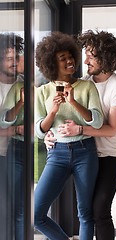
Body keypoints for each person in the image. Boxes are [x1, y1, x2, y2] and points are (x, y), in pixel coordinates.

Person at [45, 30, 116, 240]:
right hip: (86, 153)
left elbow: (112, 129)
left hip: (110, 156)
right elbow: (64, 114)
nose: (86, 60)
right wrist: (50, 134)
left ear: (106, 57)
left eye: (91, 56)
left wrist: (80, 130)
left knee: (101, 210)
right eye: (86, 55)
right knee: (87, 212)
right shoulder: (85, 82)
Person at [34, 31, 103, 240]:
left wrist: (73, 102)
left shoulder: (87, 86)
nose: (69, 61)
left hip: (85, 151)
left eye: (70, 56)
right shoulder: (42, 92)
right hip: (57, 154)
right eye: (62, 58)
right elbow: (39, 130)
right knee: (36, 215)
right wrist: (53, 112)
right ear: (52, 64)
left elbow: (97, 121)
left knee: (85, 213)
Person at [0, 33, 24, 240]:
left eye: (17, 57)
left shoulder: (26, 85)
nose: (15, 63)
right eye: (9, 59)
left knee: (19, 210)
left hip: (19, 154)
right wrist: (16, 130)